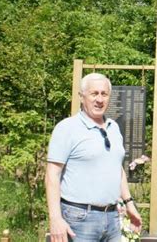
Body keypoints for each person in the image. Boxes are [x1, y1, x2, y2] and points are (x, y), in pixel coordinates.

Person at [45, 73, 142, 241]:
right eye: (94, 93)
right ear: (82, 97)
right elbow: (52, 174)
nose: (99, 99)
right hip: (79, 220)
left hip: (112, 218)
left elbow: (117, 169)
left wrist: (129, 203)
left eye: (104, 94)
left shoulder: (114, 128)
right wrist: (55, 219)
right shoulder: (67, 128)